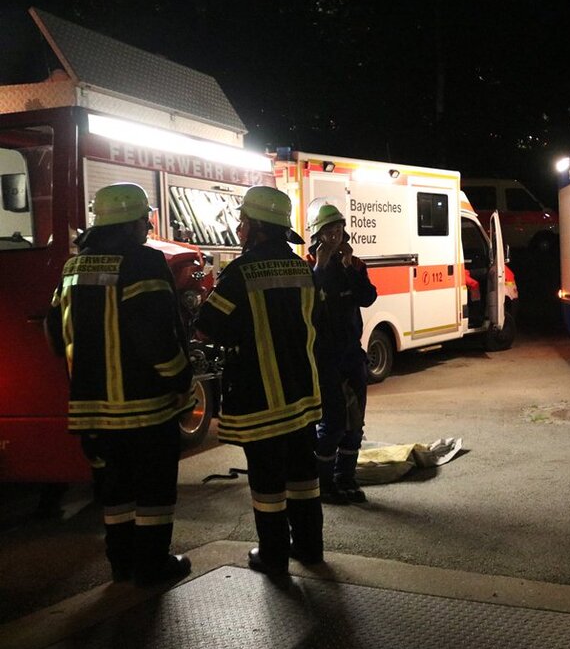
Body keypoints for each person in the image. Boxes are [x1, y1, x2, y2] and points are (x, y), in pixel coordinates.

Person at [45, 183, 194, 586]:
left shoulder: (73, 268)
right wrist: (182, 377)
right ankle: (152, 566)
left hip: (92, 409)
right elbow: (157, 337)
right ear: (131, 223)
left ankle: (121, 564)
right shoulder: (143, 263)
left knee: (114, 491)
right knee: (153, 491)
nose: (147, 227)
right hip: (145, 407)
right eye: (144, 219)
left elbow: (54, 335)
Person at [195, 186, 324, 576]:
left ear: (254, 226)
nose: (239, 227)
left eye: (243, 221)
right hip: (302, 393)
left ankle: (273, 556)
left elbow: (206, 327)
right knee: (304, 476)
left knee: (267, 481)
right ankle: (310, 549)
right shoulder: (303, 268)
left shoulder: (240, 272)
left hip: (260, 398)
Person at [306, 200, 377, 504]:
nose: (335, 236)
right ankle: (322, 484)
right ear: (317, 235)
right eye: (329, 231)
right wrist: (321, 267)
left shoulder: (355, 264)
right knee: (333, 421)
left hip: (351, 352)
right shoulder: (308, 266)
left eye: (339, 229)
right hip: (324, 356)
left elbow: (367, 298)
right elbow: (308, 304)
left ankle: (345, 478)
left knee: (355, 421)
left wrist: (349, 268)